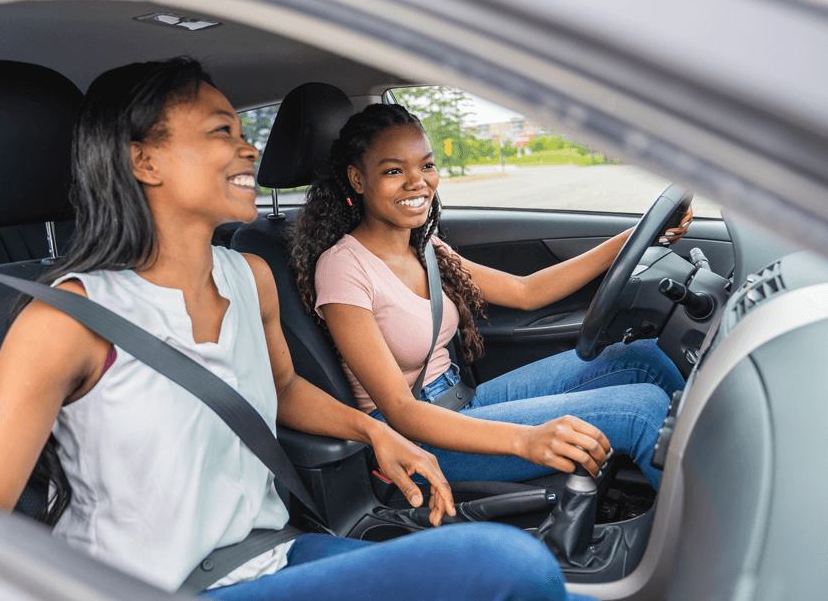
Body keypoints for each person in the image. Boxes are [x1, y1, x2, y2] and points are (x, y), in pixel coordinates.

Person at [0, 58, 596, 601]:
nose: (247, 146)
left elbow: (280, 387)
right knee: (504, 568)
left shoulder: (249, 275)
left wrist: (373, 428)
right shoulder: (67, 319)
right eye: (221, 131)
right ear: (145, 161)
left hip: (272, 553)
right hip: (151, 586)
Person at [291, 103, 690, 490]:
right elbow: (402, 411)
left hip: (462, 401)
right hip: (415, 442)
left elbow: (526, 291)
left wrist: (636, 237)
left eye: (427, 165)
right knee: (641, 410)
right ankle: (711, 534)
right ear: (358, 180)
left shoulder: (425, 245)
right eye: (394, 171)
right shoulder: (342, 267)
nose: (418, 182)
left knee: (642, 357)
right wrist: (525, 440)